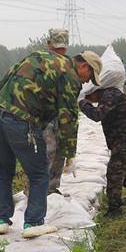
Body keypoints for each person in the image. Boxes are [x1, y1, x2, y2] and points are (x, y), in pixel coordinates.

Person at [0, 49, 101, 238]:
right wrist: (68, 153)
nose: (85, 82)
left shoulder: (38, 55)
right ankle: (33, 223)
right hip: (21, 121)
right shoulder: (70, 76)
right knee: (40, 174)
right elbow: (68, 117)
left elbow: (7, 76)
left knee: (3, 171)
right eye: (89, 77)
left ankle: (1, 221)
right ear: (83, 66)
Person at [79, 82, 126, 215]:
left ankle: (115, 208)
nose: (92, 101)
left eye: (90, 97)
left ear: (95, 91)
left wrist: (82, 103)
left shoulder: (111, 94)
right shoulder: (114, 90)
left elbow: (97, 115)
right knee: (124, 166)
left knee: (115, 171)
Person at [42, 28, 71, 196]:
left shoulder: (66, 65)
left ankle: (52, 188)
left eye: (62, 49)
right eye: (56, 47)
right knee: (45, 153)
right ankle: (37, 191)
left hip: (59, 115)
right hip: (42, 116)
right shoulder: (40, 61)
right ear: (48, 43)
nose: (59, 52)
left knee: (59, 152)